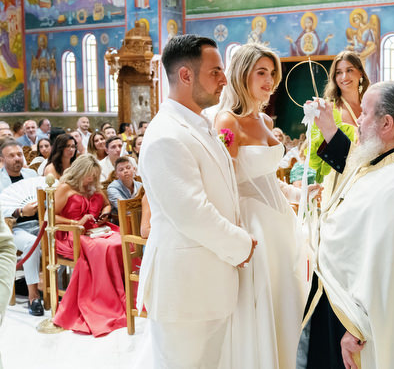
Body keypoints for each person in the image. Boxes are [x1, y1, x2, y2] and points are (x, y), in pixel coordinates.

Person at [135, 35, 256, 369]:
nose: (224, 80)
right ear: (186, 75)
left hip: (205, 284)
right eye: (215, 71)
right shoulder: (165, 136)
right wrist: (242, 245)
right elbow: (192, 213)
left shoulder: (197, 124)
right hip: (184, 291)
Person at [301, 81, 394, 368]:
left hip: (356, 324)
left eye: (364, 113)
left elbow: (389, 273)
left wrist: (358, 326)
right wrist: (328, 127)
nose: (358, 121)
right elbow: (357, 167)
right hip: (341, 297)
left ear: (387, 123)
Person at [215, 42, 308, 369]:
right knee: (260, 305)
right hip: (253, 226)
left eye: (272, 73)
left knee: (286, 300)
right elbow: (224, 185)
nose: (270, 80)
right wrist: (234, 235)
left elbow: (268, 180)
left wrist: (302, 195)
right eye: (261, 72)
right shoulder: (229, 121)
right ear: (242, 74)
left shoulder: (266, 122)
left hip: (280, 223)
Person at [52, 154, 125, 336]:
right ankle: (104, 300)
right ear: (79, 172)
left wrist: (105, 213)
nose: (91, 179)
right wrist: (75, 222)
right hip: (71, 233)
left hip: (95, 228)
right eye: (88, 175)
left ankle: (123, 293)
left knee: (121, 241)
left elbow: (107, 205)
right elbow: (50, 217)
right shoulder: (65, 188)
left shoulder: (95, 188)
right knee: (102, 247)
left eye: (94, 175)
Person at [309, 51, 370, 202]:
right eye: (339, 72)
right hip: (341, 178)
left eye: (349, 70)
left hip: (368, 174)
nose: (344, 77)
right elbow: (317, 148)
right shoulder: (330, 109)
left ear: (360, 73)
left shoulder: (370, 104)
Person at [0, 139, 43, 316]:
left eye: (19, 154)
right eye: (12, 156)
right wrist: (19, 211)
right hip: (13, 229)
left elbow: (45, 196)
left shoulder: (31, 175)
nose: (17, 158)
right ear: (2, 159)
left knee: (64, 239)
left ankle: (54, 288)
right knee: (31, 244)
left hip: (39, 224)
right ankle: (33, 296)